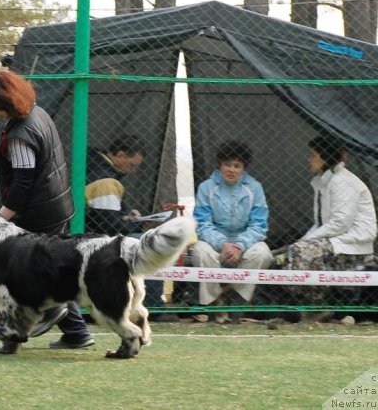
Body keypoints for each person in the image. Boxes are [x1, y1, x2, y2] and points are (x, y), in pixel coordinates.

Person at [0, 70, 94, 349]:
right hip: (57, 205)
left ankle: (14, 338)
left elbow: (23, 182)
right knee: (50, 269)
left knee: (21, 275)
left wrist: (2, 217)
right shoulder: (38, 113)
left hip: (38, 213)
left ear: (4, 103)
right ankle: (77, 333)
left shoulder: (20, 134)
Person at [84, 135, 177, 321]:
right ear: (120, 155)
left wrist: (126, 215)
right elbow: (109, 225)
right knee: (151, 243)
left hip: (92, 235)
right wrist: (135, 222)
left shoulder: (99, 171)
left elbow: (106, 216)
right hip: (98, 239)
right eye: (132, 165)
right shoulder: (106, 181)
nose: (133, 171)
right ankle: (153, 305)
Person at [285, 135, 377, 323]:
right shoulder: (324, 183)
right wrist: (301, 241)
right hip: (336, 241)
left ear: (325, 157)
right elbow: (320, 224)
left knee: (302, 253)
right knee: (292, 252)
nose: (309, 159)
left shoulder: (342, 181)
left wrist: (306, 243)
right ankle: (314, 308)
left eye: (313, 155)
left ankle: (319, 307)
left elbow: (340, 223)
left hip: (353, 245)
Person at [191, 141, 273, 323]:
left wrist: (240, 245)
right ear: (219, 165)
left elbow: (259, 225)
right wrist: (223, 244)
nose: (231, 170)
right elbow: (202, 224)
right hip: (216, 242)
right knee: (200, 251)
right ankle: (216, 302)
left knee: (263, 253)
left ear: (244, 168)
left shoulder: (254, 188)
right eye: (227, 164)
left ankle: (237, 300)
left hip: (244, 242)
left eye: (237, 166)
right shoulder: (206, 188)